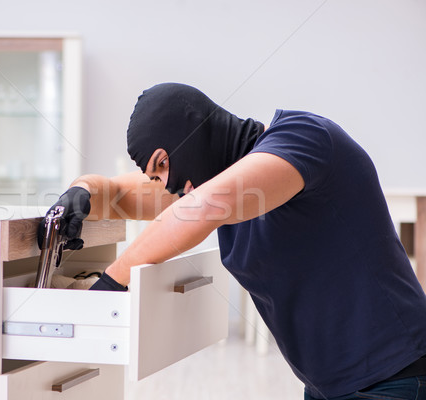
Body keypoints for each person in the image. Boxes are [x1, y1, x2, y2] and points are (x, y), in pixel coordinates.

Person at [38, 82, 426, 399]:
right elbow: (115, 192)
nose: (166, 182)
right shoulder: (208, 181)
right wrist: (80, 191)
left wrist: (110, 284)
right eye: (155, 175)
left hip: (395, 376)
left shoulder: (303, 137)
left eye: (163, 163)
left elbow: (201, 208)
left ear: (191, 132)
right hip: (330, 385)